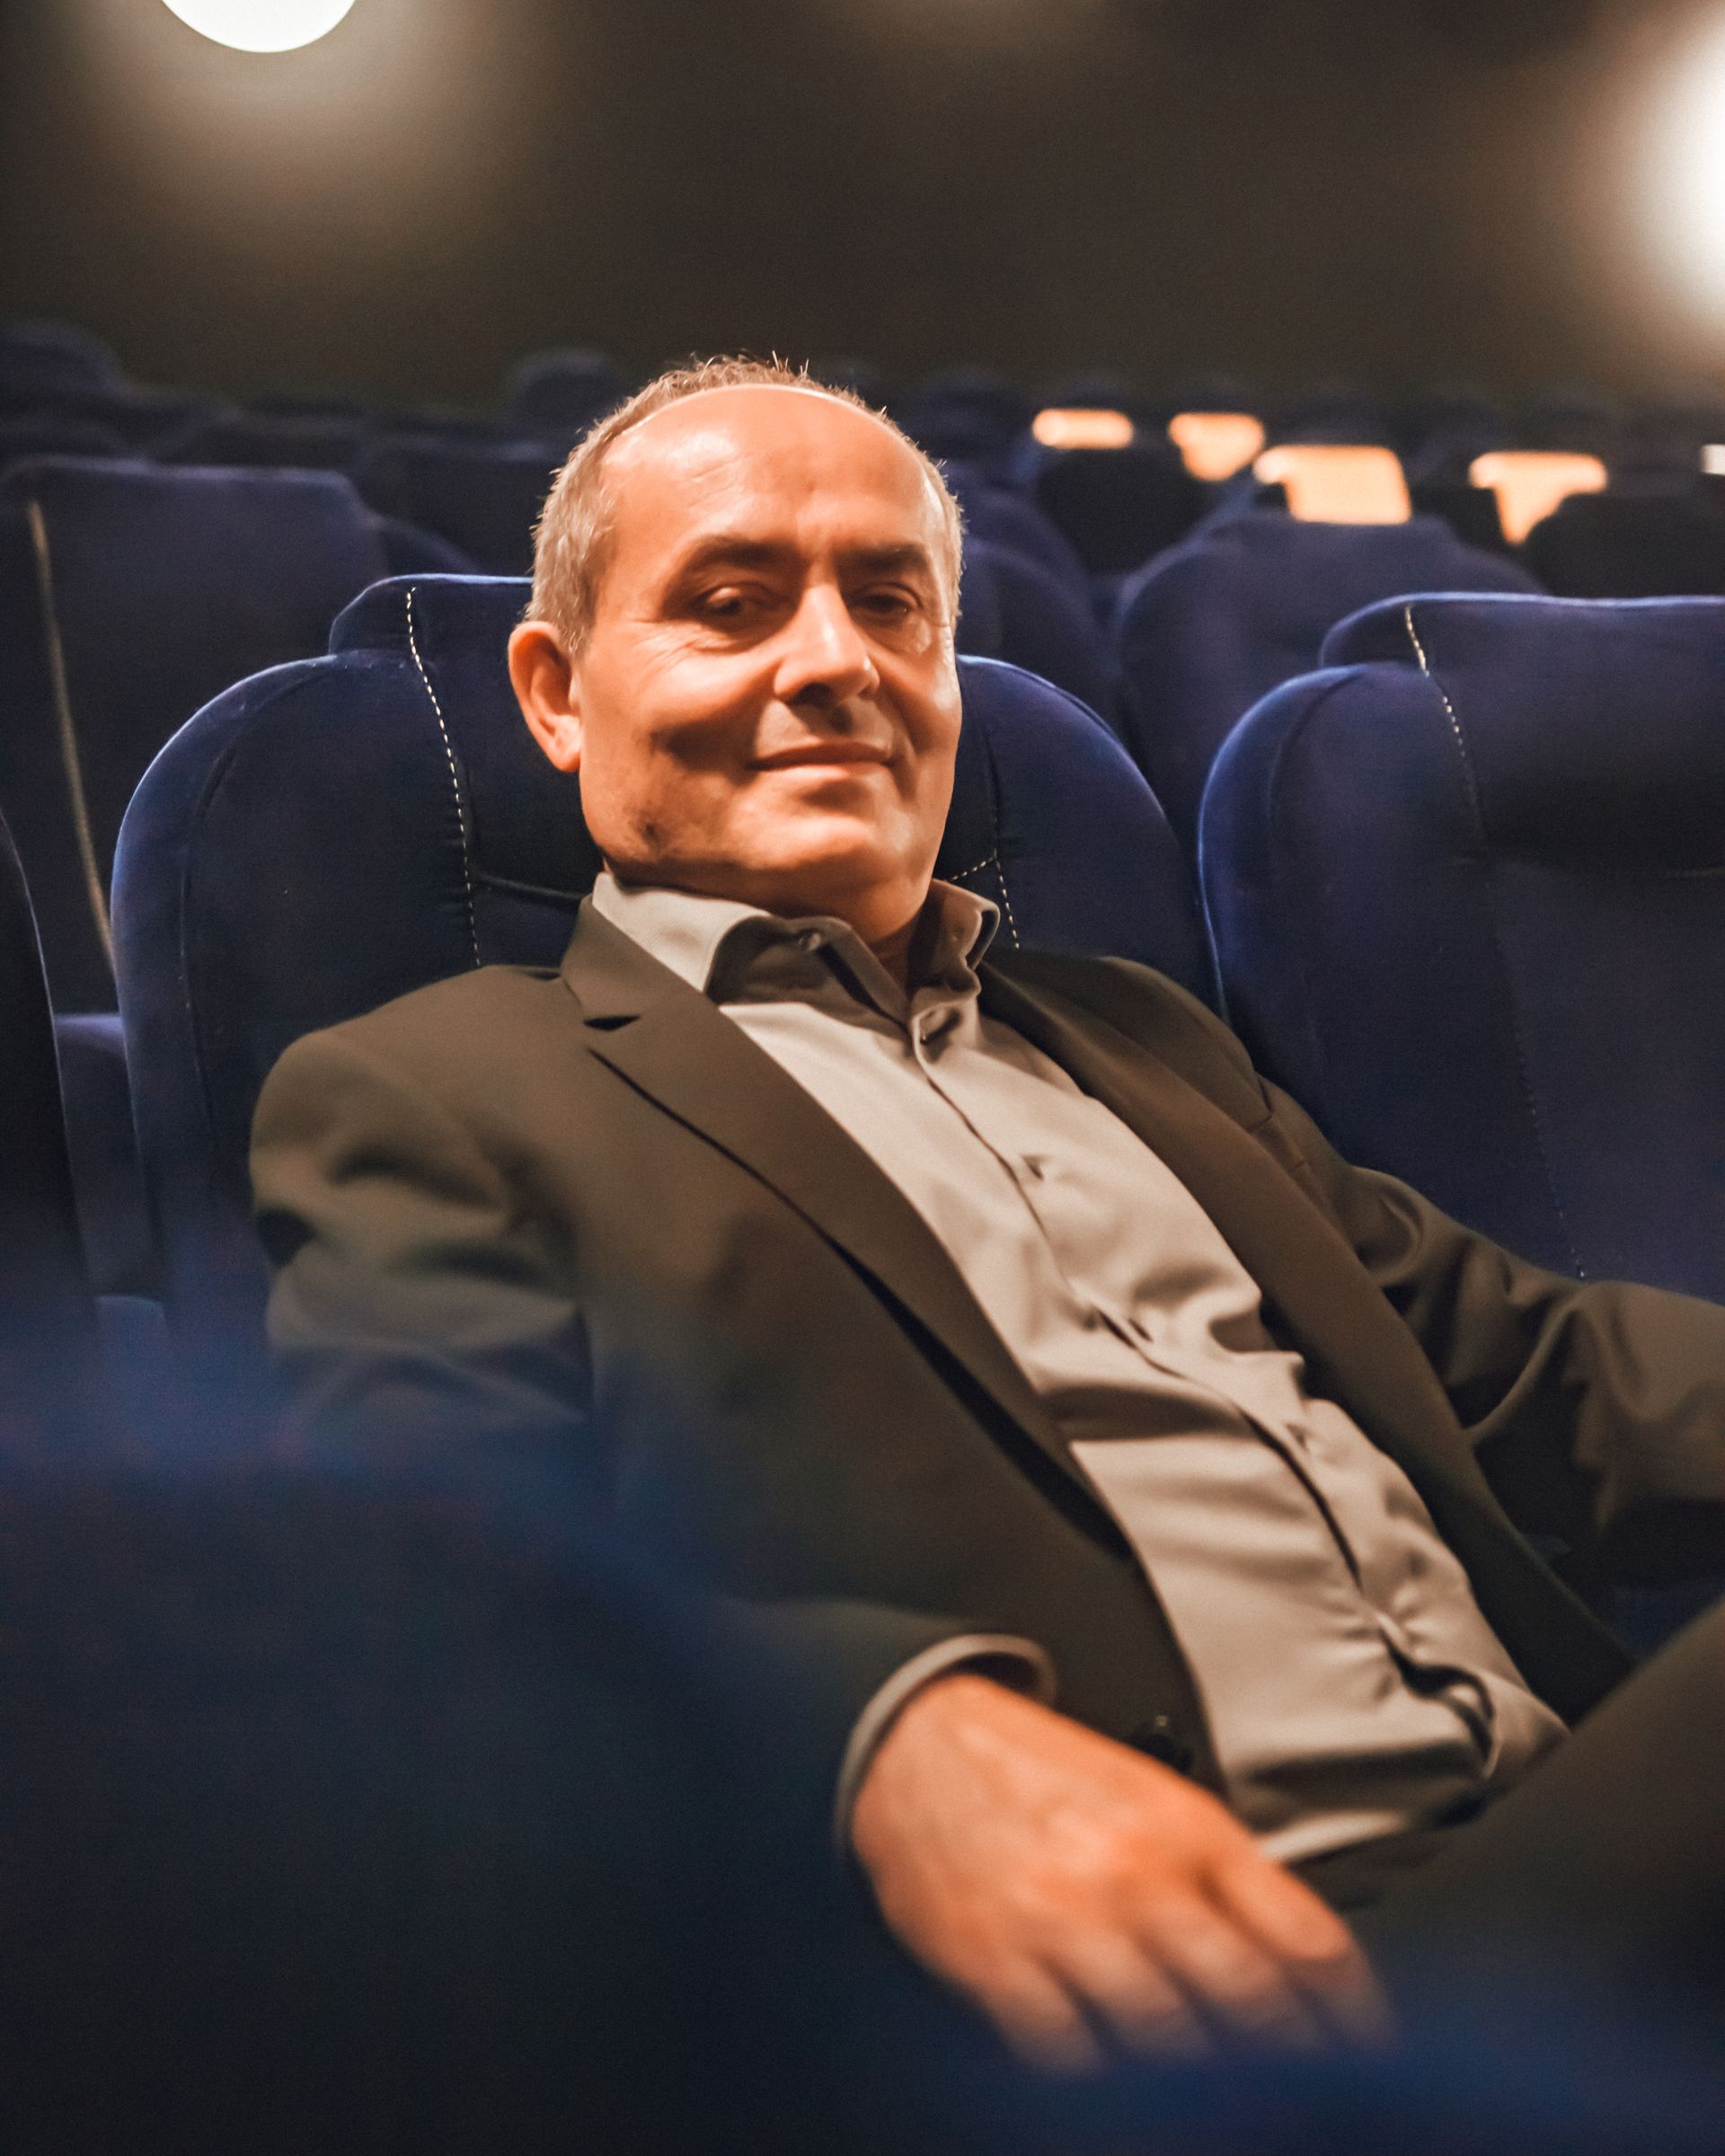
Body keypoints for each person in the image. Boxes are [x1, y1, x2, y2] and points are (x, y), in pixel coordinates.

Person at [251, 358, 1725, 2077]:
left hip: (1581, 1852)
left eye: (893, 605)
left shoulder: (1140, 1033)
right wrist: (878, 1734)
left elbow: (1539, 1366)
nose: (835, 664)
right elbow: (420, 1601)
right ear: (559, 692)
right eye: (731, 605)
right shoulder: (433, 1092)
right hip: (1220, 1977)